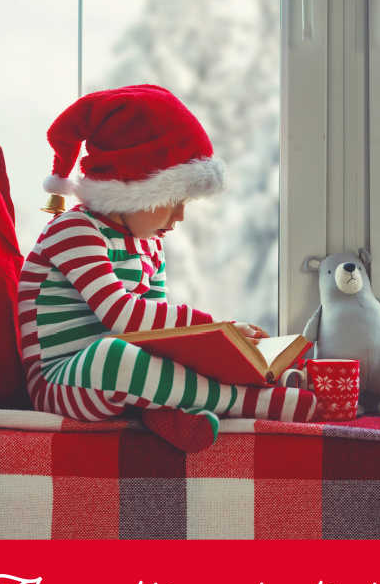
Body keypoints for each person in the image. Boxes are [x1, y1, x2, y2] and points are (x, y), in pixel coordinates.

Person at [18, 85, 316, 453]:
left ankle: (173, 408)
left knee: (149, 356)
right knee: (114, 356)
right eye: (173, 201)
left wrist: (219, 347)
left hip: (115, 380)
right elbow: (123, 317)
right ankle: (249, 402)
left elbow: (157, 337)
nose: (180, 216)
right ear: (133, 188)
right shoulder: (73, 231)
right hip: (61, 381)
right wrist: (215, 329)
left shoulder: (149, 241)